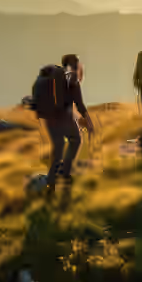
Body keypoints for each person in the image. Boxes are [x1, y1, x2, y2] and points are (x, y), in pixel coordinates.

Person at [31, 54, 94, 189]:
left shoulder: (54, 76)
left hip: (48, 116)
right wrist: (89, 122)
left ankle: (51, 183)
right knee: (75, 139)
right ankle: (64, 174)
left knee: (58, 148)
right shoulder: (72, 78)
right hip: (62, 115)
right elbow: (79, 104)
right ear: (75, 65)